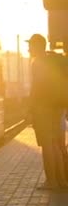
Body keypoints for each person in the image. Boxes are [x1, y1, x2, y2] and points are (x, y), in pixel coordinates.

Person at [28, 33, 68, 190]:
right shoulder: (53, 59)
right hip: (58, 106)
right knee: (56, 144)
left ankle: (52, 182)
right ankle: (61, 181)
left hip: (44, 106)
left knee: (47, 145)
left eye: (30, 45)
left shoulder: (38, 63)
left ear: (37, 46)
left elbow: (36, 87)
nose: (28, 48)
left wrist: (30, 108)